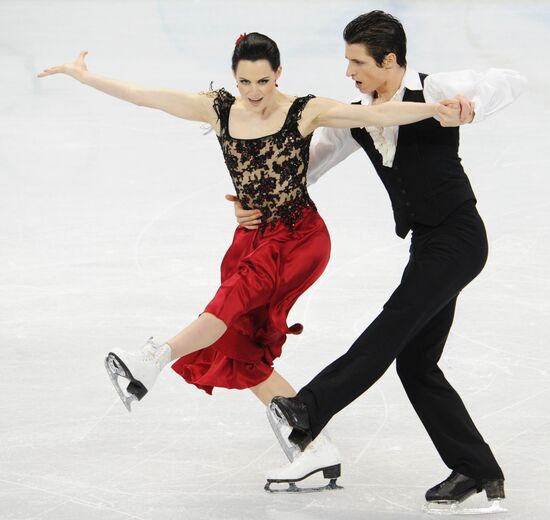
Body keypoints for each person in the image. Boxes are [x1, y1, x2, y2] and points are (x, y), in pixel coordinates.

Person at [37, 32, 458, 491]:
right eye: (245, 82)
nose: (255, 91)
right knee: (241, 347)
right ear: (234, 78)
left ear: (278, 74)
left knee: (231, 302)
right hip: (252, 238)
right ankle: (314, 450)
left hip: (299, 240)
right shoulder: (219, 110)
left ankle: (150, 360)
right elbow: (144, 98)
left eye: (263, 80)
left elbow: (374, 113)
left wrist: (432, 110)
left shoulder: (304, 109)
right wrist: (85, 77)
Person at [232, 13, 525, 510]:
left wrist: (469, 109)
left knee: (392, 327)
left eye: (357, 62)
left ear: (390, 61)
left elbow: (510, 80)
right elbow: (310, 165)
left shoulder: (436, 87)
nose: (349, 72)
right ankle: (478, 469)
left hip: (459, 238)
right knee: (415, 364)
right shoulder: (360, 115)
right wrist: (259, 199)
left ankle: (308, 407)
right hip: (427, 245)